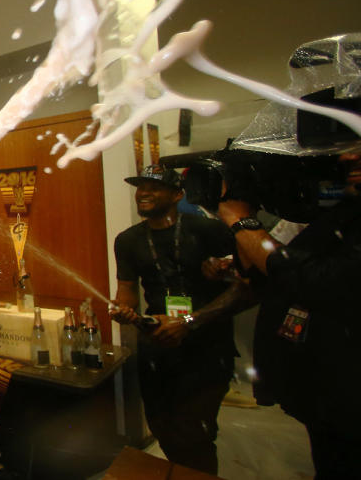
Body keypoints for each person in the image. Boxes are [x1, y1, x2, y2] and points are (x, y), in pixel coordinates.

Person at [216, 151, 360, 478]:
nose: (349, 155)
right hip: (328, 395)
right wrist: (244, 217)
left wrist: (242, 222)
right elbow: (260, 272)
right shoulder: (337, 215)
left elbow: (312, 280)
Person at [110, 165, 240, 475]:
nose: (143, 192)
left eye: (154, 186)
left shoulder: (209, 230)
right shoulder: (127, 240)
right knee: (161, 425)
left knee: (194, 433)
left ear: (177, 194)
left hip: (207, 348)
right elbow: (126, 291)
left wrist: (190, 321)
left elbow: (244, 288)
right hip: (157, 349)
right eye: (140, 186)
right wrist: (123, 311)